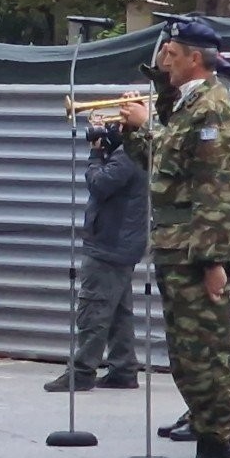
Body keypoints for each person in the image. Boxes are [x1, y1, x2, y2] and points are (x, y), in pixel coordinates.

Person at [118, 17, 230, 458]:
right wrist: (137, 130)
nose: (163, 61)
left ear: (195, 57)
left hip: (196, 251)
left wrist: (214, 261)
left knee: (206, 356)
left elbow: (217, 191)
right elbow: (168, 168)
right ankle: (205, 455)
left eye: (170, 54)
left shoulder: (213, 110)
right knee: (186, 357)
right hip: (176, 245)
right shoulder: (188, 106)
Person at [44, 109, 148, 392]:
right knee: (118, 310)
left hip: (110, 242)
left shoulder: (130, 154)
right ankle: (123, 367)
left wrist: (95, 154)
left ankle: (81, 371)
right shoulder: (134, 150)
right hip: (122, 240)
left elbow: (100, 184)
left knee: (94, 308)